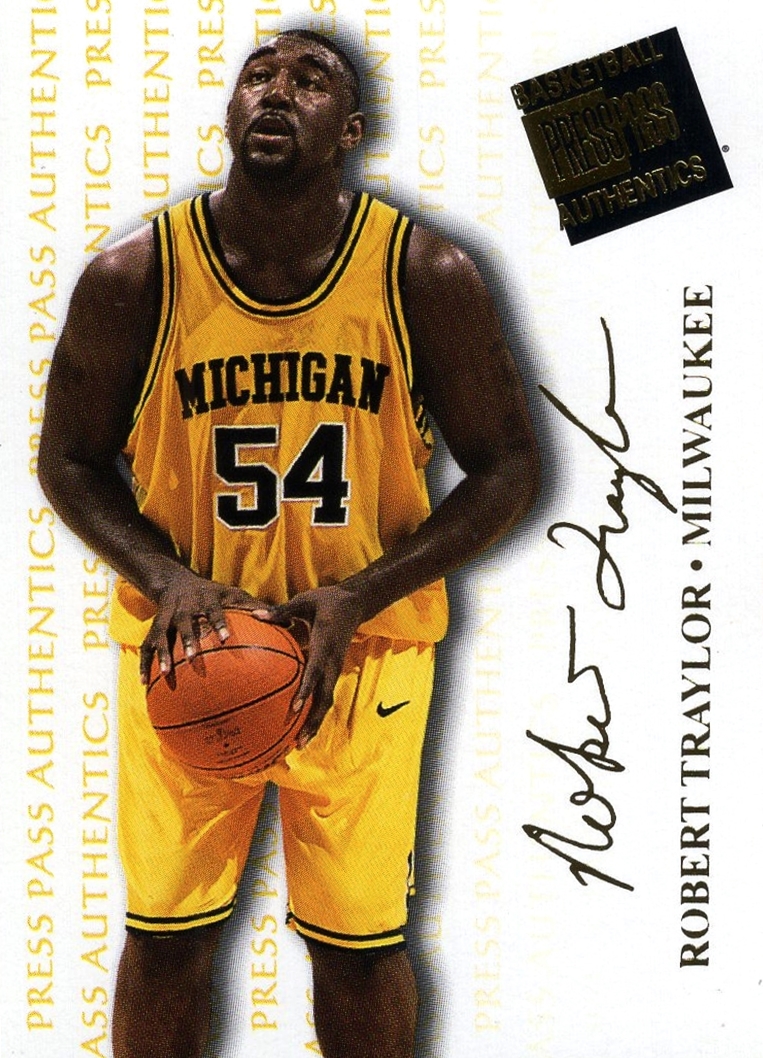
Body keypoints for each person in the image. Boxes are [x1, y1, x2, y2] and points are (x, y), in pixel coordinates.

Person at [39, 29, 540, 1058]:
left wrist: (363, 592)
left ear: (350, 130)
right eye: (258, 76)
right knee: (165, 942)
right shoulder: (137, 273)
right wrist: (164, 575)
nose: (276, 91)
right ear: (229, 112)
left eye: (309, 81)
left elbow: (508, 468)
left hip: (364, 658)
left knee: (358, 951)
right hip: (188, 650)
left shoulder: (423, 271)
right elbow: (67, 461)